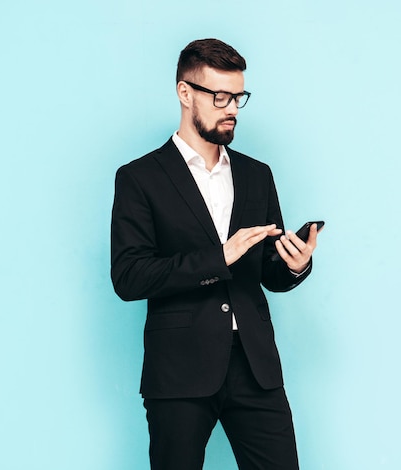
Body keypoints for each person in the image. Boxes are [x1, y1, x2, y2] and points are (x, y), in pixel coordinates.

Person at [110, 38, 322, 470]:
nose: (232, 109)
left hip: (256, 368)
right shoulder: (140, 178)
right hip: (180, 371)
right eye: (220, 97)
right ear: (185, 93)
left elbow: (268, 271)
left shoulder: (256, 174)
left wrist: (294, 265)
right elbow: (129, 277)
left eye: (238, 97)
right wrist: (218, 257)